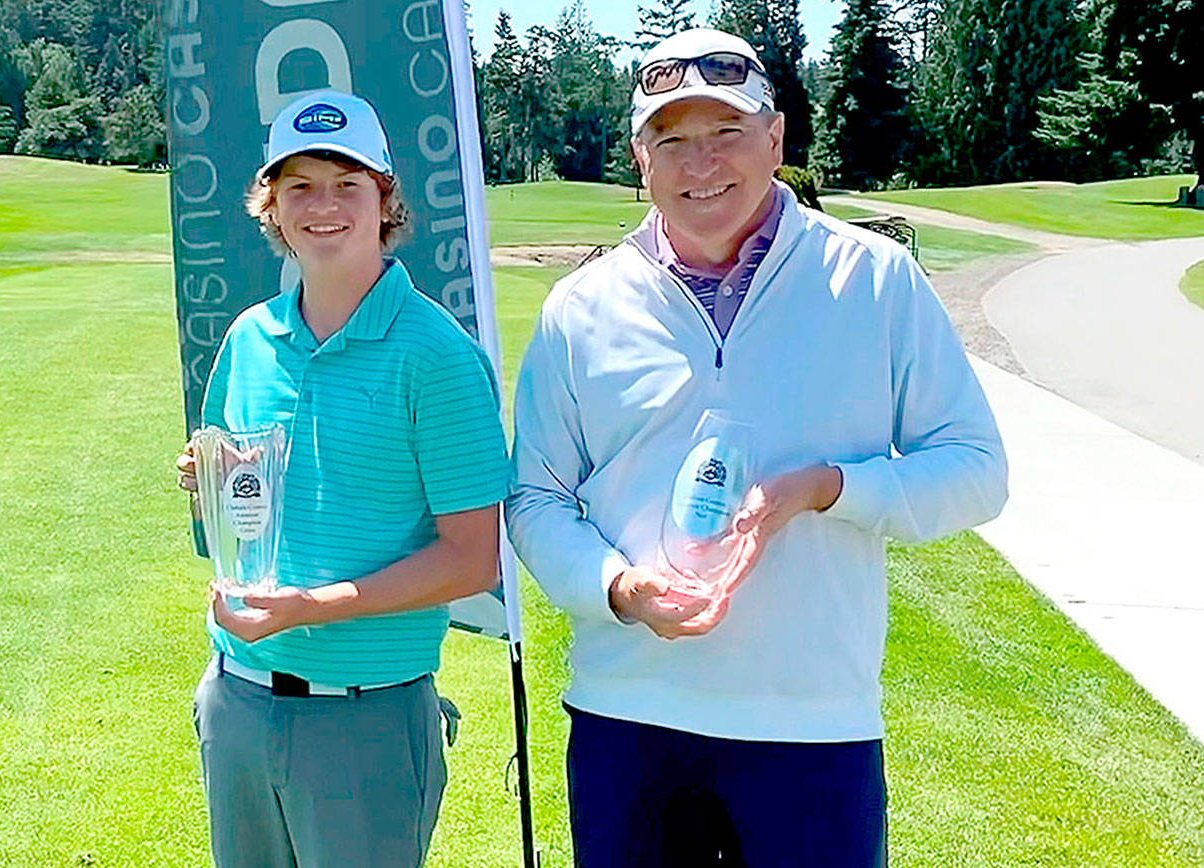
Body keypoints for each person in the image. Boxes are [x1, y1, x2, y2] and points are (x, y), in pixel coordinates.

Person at [506, 29, 1008, 867]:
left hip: (813, 724)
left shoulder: (873, 280)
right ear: (640, 158)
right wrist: (619, 588)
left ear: (775, 138)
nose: (701, 166)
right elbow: (536, 497)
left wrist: (830, 489)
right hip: (627, 720)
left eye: (726, 134)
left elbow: (976, 472)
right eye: (672, 141)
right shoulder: (581, 307)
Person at [174, 90, 509, 867]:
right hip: (238, 701)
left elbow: (471, 559)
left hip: (366, 718)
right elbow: (243, 493)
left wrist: (310, 610)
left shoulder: (438, 356)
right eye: (300, 187)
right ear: (272, 206)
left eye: (347, 185)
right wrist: (211, 476)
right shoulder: (250, 338)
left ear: (385, 200)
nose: (324, 207)